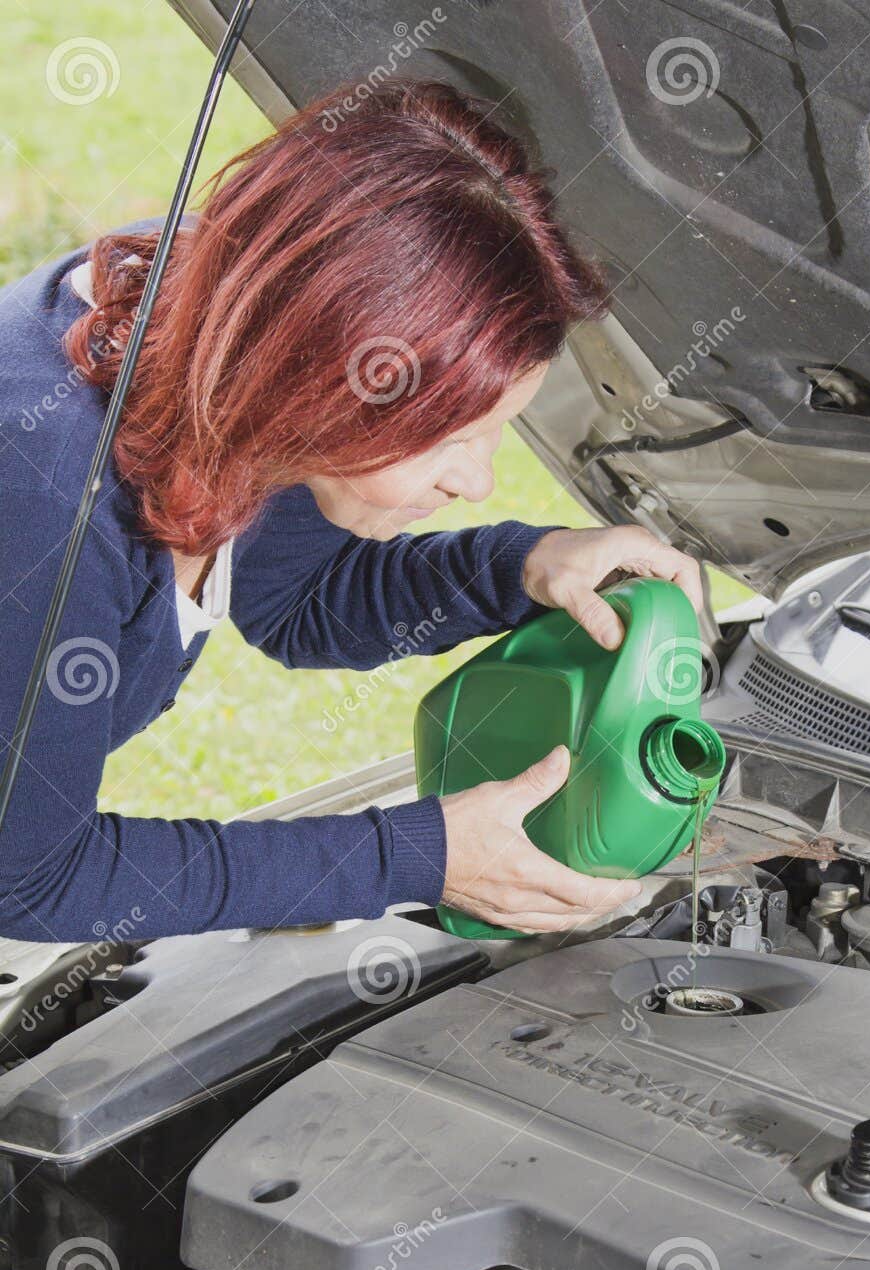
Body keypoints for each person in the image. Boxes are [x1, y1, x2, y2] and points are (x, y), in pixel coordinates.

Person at [0, 80, 701, 942]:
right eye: (449, 437)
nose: (476, 481)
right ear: (324, 382)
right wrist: (413, 855)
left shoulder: (243, 312)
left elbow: (292, 601)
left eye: (494, 432)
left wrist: (521, 565)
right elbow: (26, 877)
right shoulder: (40, 506)